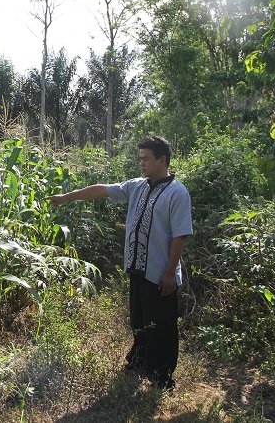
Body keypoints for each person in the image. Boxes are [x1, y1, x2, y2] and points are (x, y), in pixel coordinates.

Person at [45, 136, 193, 391]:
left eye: (146, 158)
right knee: (139, 320)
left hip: (160, 274)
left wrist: (170, 273)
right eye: (141, 158)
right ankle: (139, 362)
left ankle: (162, 377)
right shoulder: (138, 186)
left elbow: (180, 235)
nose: (142, 163)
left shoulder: (177, 193)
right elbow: (103, 189)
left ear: (162, 159)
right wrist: (68, 197)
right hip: (137, 268)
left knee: (162, 326)